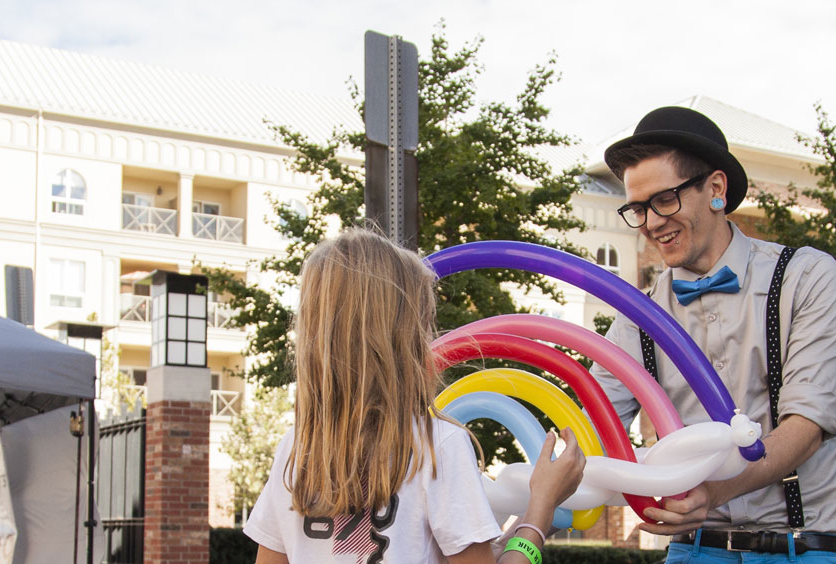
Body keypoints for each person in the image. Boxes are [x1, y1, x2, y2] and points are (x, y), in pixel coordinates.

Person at [590, 106, 836, 563]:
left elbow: (807, 427)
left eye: (665, 199)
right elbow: (593, 424)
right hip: (693, 551)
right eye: (639, 208)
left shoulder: (806, 277)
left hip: (800, 548)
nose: (652, 222)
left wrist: (710, 492)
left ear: (715, 189)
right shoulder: (639, 314)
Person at [244, 230, 587, 564]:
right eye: (425, 325)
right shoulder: (436, 446)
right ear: (402, 339)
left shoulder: (296, 450)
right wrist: (541, 510)